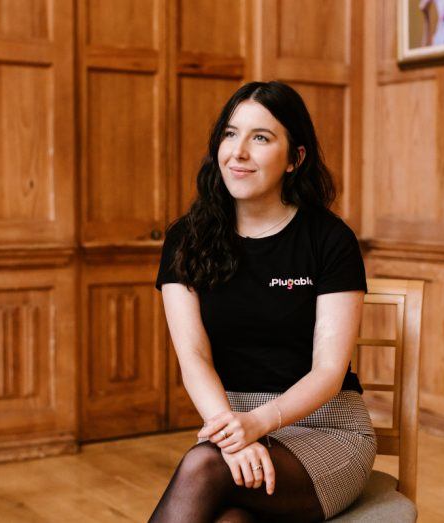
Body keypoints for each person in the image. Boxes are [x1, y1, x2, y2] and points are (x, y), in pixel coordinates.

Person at [148, 81, 376, 522]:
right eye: (230, 135)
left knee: (204, 465)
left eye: (261, 138)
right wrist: (236, 433)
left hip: (326, 430)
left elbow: (329, 371)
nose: (238, 152)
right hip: (229, 425)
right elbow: (193, 355)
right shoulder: (185, 239)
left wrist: (257, 424)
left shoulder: (329, 240)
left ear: (296, 158)